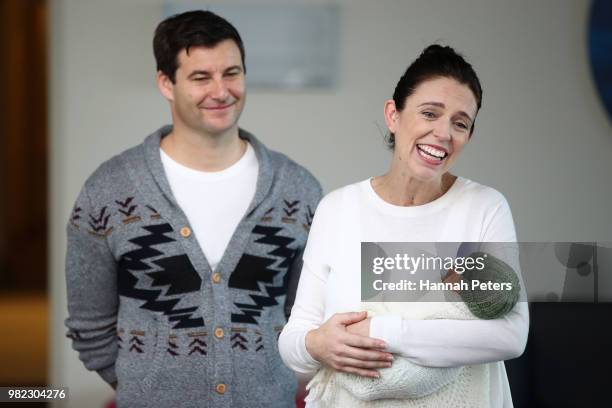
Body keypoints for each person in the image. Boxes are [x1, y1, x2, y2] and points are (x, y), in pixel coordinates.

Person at [65, 10, 321, 408]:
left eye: (232, 73)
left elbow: (306, 317)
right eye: (201, 77)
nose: (221, 91)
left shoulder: (297, 190)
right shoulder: (109, 192)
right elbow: (89, 325)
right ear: (166, 83)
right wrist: (144, 382)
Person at [278, 45, 529, 407]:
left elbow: (510, 335)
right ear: (393, 115)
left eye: (460, 123)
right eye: (430, 113)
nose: (443, 133)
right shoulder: (337, 209)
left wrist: (380, 331)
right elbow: (294, 341)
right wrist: (316, 344)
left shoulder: (484, 208)